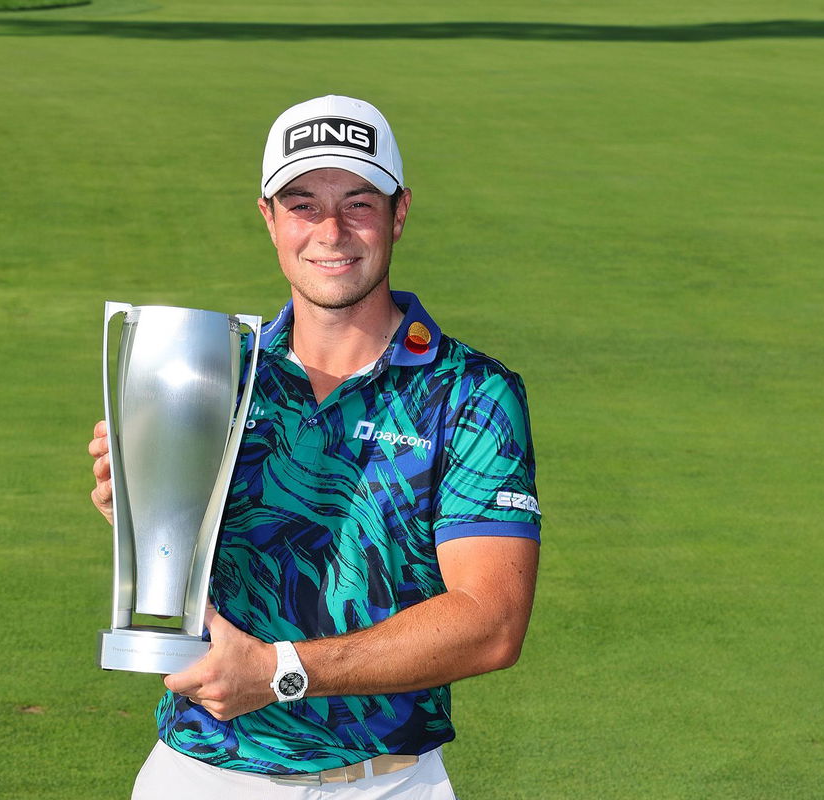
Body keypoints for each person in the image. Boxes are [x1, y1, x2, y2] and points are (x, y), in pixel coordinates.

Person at [88, 95, 541, 799]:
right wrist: (146, 513)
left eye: (358, 203)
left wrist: (281, 670)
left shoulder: (471, 394)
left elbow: (491, 622)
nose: (331, 231)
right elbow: (181, 573)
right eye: (302, 204)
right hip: (201, 776)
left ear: (399, 212)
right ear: (269, 218)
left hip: (388, 785)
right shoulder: (212, 377)